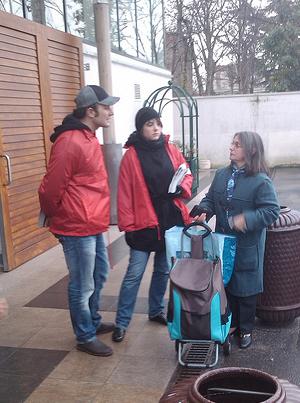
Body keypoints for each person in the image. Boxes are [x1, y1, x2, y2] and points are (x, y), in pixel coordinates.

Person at [39, 85, 120, 356]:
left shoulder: (88, 137)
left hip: (92, 223)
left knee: (99, 274)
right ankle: (84, 335)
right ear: (90, 110)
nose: (110, 111)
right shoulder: (70, 141)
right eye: (106, 106)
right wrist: (56, 218)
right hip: (76, 226)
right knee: (82, 283)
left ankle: (92, 321)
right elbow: (51, 188)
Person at [191, 131, 279, 349]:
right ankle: (229, 325)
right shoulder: (221, 174)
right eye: (232, 143)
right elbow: (210, 199)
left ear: (251, 151)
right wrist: (205, 210)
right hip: (222, 242)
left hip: (247, 245)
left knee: (246, 288)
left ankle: (246, 330)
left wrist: (246, 219)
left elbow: (271, 211)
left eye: (237, 145)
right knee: (225, 285)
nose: (231, 147)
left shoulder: (261, 181)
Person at [112, 106, 193, 343]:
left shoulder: (171, 148)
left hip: (169, 219)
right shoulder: (132, 156)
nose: (156, 128)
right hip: (143, 224)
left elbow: (186, 173)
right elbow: (125, 194)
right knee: (133, 274)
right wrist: (128, 226)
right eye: (150, 124)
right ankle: (121, 322)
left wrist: (182, 188)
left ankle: (155, 310)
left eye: (158, 123)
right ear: (140, 128)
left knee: (162, 270)